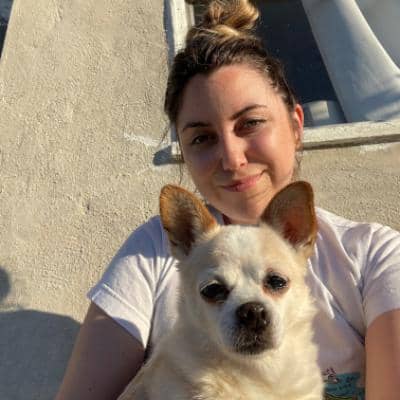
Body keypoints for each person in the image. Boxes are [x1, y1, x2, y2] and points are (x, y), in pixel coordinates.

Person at [55, 1, 400, 399]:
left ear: (295, 125)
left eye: (250, 123)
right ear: (183, 152)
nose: (232, 158)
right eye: (203, 138)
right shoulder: (151, 252)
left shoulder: (373, 256)